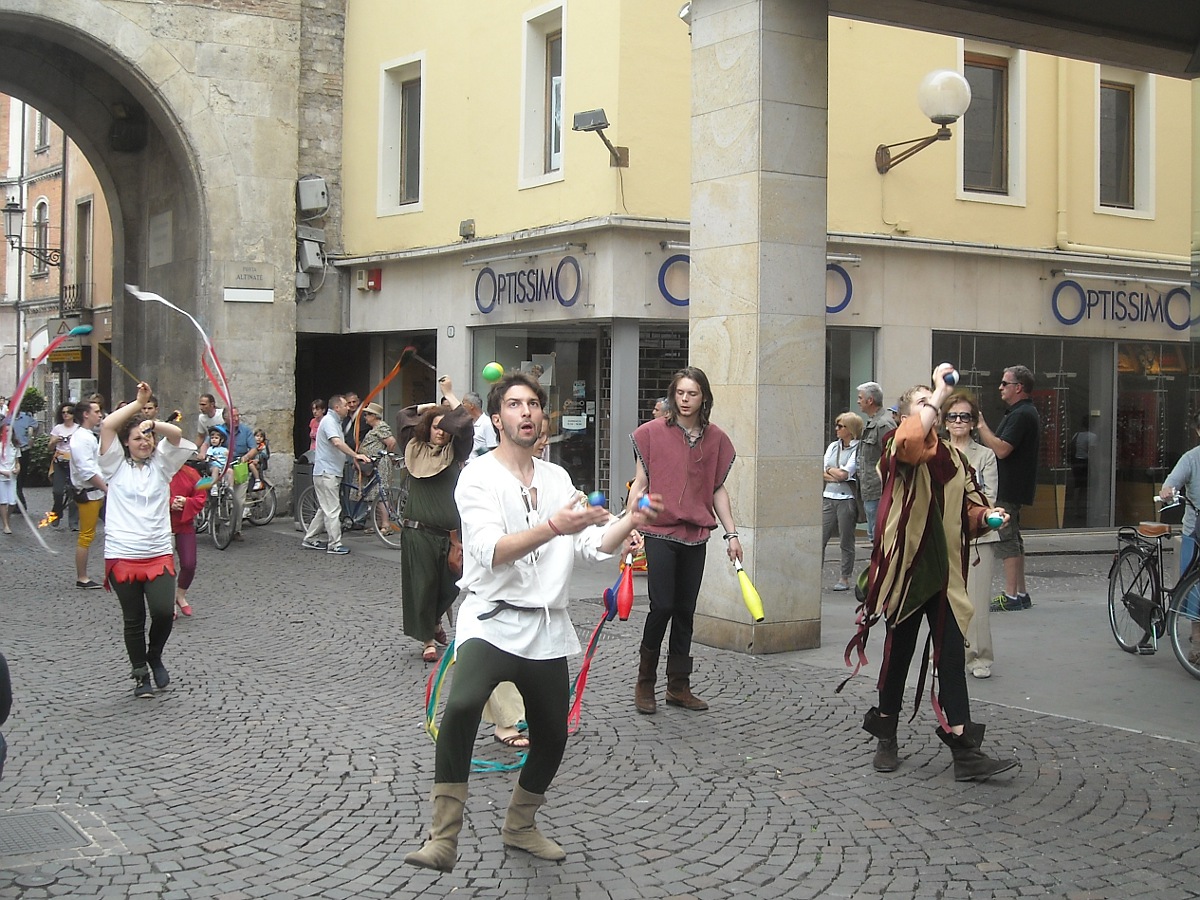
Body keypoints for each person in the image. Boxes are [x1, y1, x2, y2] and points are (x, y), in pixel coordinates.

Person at [405, 372, 658, 873]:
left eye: (535, 404)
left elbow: (590, 544)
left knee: (553, 736)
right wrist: (553, 526)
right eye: (515, 404)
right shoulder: (477, 476)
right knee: (460, 709)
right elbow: (490, 551)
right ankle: (443, 836)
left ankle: (520, 825)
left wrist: (629, 522)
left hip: (545, 627)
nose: (527, 412)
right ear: (497, 419)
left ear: (543, 418)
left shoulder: (558, 479)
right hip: (490, 619)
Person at [853, 365, 1017, 782]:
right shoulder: (896, 445)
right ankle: (886, 733)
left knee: (950, 659)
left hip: (945, 573)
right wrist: (939, 393)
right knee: (898, 656)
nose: (935, 409)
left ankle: (965, 751)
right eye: (923, 404)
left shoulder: (955, 460)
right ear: (908, 414)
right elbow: (912, 441)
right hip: (906, 572)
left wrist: (988, 517)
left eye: (936, 405)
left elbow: (967, 508)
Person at [629, 365, 740, 715]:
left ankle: (678, 686)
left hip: (696, 535)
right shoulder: (651, 433)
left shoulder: (716, 438)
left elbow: (717, 488)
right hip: (660, 531)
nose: (685, 400)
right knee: (661, 606)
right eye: (680, 393)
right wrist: (631, 524)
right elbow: (641, 486)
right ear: (672, 395)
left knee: (685, 611)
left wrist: (732, 533)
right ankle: (645, 682)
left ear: (703, 396)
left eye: (692, 394)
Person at [99, 382, 195, 699]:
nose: (145, 441)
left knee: (163, 612)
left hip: (157, 552)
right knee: (134, 619)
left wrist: (152, 422)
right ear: (125, 444)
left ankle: (154, 655)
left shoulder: (163, 463)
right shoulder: (112, 465)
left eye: (147, 437)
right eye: (138, 437)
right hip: (122, 553)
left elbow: (176, 436)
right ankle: (140, 673)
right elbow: (108, 424)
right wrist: (138, 404)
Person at [397, 378, 473, 662]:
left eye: (445, 428)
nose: (440, 432)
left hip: (451, 535)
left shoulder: (456, 452)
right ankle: (428, 639)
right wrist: (429, 407)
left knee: (452, 584)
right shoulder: (413, 447)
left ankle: (436, 619)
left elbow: (464, 424)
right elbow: (402, 415)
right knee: (424, 584)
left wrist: (449, 395)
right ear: (426, 427)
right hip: (418, 532)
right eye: (435, 426)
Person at [943, 390, 999, 679]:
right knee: (945, 600)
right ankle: (946, 654)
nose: (958, 421)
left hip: (979, 537)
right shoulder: (937, 451)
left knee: (975, 600)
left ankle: (978, 656)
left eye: (965, 416)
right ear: (945, 421)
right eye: (952, 416)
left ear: (974, 421)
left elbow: (988, 498)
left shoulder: (985, 455)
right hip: (943, 536)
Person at [975, 365, 1041, 611]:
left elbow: (1002, 449)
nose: (1000, 387)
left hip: (1009, 485)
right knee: (1014, 537)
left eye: (1005, 383)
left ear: (1018, 387)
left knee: (1006, 537)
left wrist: (981, 425)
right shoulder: (1021, 412)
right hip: (1013, 484)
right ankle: (1020, 593)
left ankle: (1011, 595)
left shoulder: (1022, 414)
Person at [302, 394, 371, 555]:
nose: (349, 407)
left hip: (327, 471)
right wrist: (355, 455)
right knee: (333, 509)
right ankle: (335, 544)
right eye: (346, 405)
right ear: (337, 408)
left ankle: (310, 538)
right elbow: (337, 443)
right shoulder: (329, 422)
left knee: (324, 508)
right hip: (327, 472)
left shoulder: (333, 422)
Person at [1159, 412, 1200, 666]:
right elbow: (1172, 482)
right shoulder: (1191, 459)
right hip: (1196, 530)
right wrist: (1168, 490)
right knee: (1196, 586)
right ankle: (1197, 641)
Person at [822, 411, 863, 591]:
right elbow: (822, 470)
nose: (836, 429)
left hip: (847, 499)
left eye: (841, 426)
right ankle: (815, 575)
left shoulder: (858, 448)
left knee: (846, 540)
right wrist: (834, 472)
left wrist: (833, 472)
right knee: (820, 539)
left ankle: (845, 577)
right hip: (828, 497)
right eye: (837, 425)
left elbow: (846, 474)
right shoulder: (832, 446)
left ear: (850, 429)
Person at [69, 398, 107, 589]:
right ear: (86, 414)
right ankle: (82, 577)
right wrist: (106, 488)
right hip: (90, 493)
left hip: (96, 492)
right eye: (96, 411)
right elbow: (87, 471)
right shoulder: (81, 438)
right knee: (86, 535)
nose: (99, 415)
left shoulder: (87, 436)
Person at [170, 460, 209, 618]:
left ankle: (180, 595)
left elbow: (201, 495)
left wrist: (187, 501)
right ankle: (168, 602)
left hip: (184, 524)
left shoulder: (192, 473)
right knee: (166, 567)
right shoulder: (158, 471)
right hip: (161, 525)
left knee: (189, 563)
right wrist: (169, 502)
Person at [856, 381, 893, 541]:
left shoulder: (884, 424)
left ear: (870, 400)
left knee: (878, 538)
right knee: (874, 536)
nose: (858, 401)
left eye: (860, 398)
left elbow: (892, 458)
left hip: (878, 491)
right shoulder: (873, 423)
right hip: (869, 490)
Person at [357, 402, 396, 531]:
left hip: (380, 464)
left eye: (367, 414)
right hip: (373, 464)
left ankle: (385, 524)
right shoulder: (374, 429)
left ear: (374, 416)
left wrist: (384, 455)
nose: (365, 417)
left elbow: (391, 442)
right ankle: (379, 524)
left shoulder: (381, 427)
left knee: (381, 495)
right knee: (374, 495)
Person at [226, 407, 259, 542]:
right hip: (224, 468)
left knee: (239, 501)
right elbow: (207, 442)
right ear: (225, 418)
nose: (236, 418)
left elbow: (253, 449)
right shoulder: (219, 430)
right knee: (220, 497)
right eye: (233, 416)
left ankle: (236, 530)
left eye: (237, 415)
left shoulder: (245, 431)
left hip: (240, 467)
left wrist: (246, 457)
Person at [48, 403, 80, 529]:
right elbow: (50, 447)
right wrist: (55, 441)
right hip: (59, 461)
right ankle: (56, 513)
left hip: (73, 462)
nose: (66, 414)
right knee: (58, 491)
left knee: (73, 492)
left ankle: (73, 522)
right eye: (63, 412)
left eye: (69, 412)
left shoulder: (78, 429)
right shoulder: (57, 428)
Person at [462, 390, 498, 461]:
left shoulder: (487, 423)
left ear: (471, 406)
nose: (462, 406)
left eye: (464, 403)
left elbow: (493, 448)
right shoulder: (468, 423)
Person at [0, 425, 19, 534]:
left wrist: (17, 469)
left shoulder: (15, 446)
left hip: (12, 477)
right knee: (3, 501)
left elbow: (17, 462)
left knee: (12, 502)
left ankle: (7, 518)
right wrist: (3, 472)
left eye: (10, 431)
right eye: (6, 431)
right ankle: (5, 525)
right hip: (1, 477)